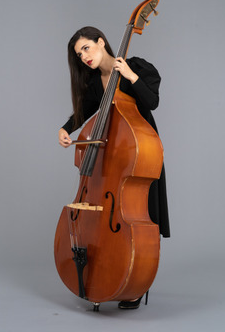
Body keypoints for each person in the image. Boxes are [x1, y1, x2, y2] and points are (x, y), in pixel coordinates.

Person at [58, 26, 170, 309]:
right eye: (78, 54)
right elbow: (84, 111)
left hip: (137, 152)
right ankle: (112, 277)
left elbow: (152, 102)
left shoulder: (135, 67)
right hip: (112, 159)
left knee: (142, 213)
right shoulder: (97, 84)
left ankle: (135, 281)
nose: (84, 57)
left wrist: (131, 77)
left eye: (86, 48)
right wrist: (65, 128)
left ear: (101, 42)